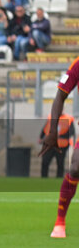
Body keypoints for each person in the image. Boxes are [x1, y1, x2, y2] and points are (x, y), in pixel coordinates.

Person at [41, 55, 79, 238]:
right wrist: (53, 131)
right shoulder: (77, 65)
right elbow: (60, 96)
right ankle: (60, 223)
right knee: (75, 167)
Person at [40, 111, 74, 179]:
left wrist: (61, 136)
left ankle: (58, 179)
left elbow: (71, 132)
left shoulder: (69, 119)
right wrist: (41, 137)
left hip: (62, 145)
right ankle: (44, 179)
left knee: (60, 163)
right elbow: (45, 128)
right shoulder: (51, 117)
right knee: (45, 161)